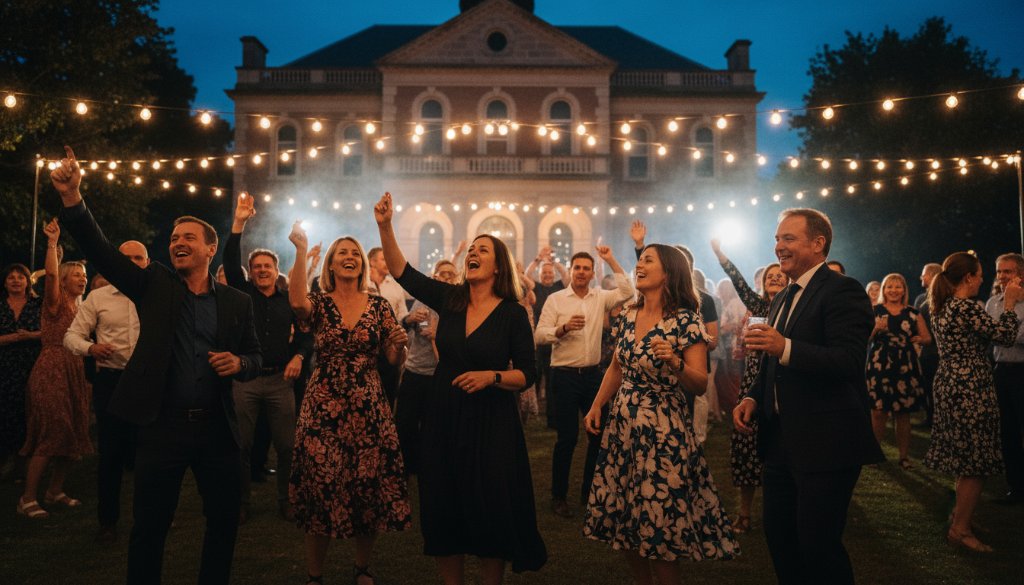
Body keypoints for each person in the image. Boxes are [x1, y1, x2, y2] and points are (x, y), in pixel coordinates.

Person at [51, 146, 262, 584]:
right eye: (173, 238)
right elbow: (104, 252)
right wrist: (73, 197)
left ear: (210, 249)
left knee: (222, 525)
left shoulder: (237, 303)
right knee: (148, 528)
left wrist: (239, 362)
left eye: (188, 237)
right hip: (162, 426)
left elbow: (257, 357)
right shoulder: (154, 286)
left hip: (216, 430)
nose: (177, 242)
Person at [375, 192, 546, 584]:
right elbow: (404, 272)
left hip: (492, 422)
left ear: (498, 264)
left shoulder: (512, 314)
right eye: (471, 249)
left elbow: (528, 373)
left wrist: (493, 377)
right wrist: (385, 226)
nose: (473, 252)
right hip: (445, 415)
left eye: (482, 250)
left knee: (489, 509)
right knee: (443, 505)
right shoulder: (450, 298)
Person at [734, 208, 882, 585]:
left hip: (826, 439)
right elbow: (773, 361)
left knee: (819, 546)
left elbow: (848, 360)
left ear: (818, 244)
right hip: (781, 439)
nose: (778, 247)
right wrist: (752, 397)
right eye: (777, 239)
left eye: (788, 239)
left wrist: (785, 346)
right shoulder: (783, 296)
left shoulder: (843, 290)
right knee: (780, 539)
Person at [583, 243, 737, 585]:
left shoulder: (686, 320)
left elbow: (698, 384)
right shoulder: (627, 314)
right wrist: (597, 406)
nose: (639, 265)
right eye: (639, 259)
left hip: (662, 429)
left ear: (668, 272)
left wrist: (674, 361)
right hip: (623, 425)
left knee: (660, 520)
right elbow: (615, 367)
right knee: (623, 515)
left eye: (647, 260)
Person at [288, 226, 411, 585]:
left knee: (366, 487)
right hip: (323, 406)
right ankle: (315, 574)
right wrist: (300, 251)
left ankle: (361, 566)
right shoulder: (321, 303)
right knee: (320, 487)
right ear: (331, 264)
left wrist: (400, 345)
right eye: (342, 252)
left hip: (369, 406)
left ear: (362, 265)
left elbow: (391, 358)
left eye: (355, 253)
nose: (349, 257)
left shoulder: (379, 305)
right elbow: (297, 303)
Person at [925, 251, 1023, 552]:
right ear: (968, 278)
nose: (983, 279)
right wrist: (1009, 303)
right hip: (970, 385)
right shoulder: (965, 307)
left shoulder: (943, 306)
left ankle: (959, 515)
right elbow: (1005, 335)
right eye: (980, 274)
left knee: (964, 455)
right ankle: (961, 529)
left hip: (949, 380)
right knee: (974, 461)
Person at [225, 193, 311, 525]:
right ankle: (241, 502)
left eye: (267, 267)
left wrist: (300, 356)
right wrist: (240, 223)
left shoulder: (288, 299)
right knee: (242, 446)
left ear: (277, 271)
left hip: (280, 381)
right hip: (245, 380)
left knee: (287, 447)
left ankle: (287, 501)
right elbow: (230, 261)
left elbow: (306, 333)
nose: (262, 270)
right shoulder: (240, 294)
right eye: (257, 267)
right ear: (251, 272)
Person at [535, 247, 633, 518]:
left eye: (585, 268)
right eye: (576, 267)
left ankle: (589, 493)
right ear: (571, 270)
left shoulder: (600, 297)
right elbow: (540, 335)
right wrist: (562, 328)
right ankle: (559, 496)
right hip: (563, 375)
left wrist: (611, 259)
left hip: (592, 377)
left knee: (598, 437)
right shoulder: (556, 299)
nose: (580, 272)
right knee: (566, 438)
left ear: (592, 273)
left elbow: (628, 292)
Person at [63, 240, 149, 542]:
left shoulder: (159, 295)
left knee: (148, 456)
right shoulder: (98, 297)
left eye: (139, 257)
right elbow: (71, 336)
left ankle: (148, 520)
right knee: (110, 454)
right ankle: (108, 521)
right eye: (127, 257)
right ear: (116, 261)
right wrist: (91, 347)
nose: (133, 262)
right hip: (111, 381)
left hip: (149, 383)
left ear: (147, 262)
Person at [710, 238, 788, 534]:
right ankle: (744, 514)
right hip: (754, 385)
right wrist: (721, 255)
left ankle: (779, 515)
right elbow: (738, 282)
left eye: (779, 276)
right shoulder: (758, 305)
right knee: (746, 448)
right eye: (770, 277)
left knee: (778, 452)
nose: (775, 279)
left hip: (783, 385)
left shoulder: (795, 308)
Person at [17, 219, 91, 519]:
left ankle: (54, 490)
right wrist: (51, 244)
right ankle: (27, 498)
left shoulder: (81, 307)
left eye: (84, 275)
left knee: (72, 432)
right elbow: (49, 274)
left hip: (74, 370)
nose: (82, 279)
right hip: (51, 369)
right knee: (52, 431)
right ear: (62, 280)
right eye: (75, 275)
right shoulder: (55, 302)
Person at [395, 260, 458, 475]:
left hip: (441, 375)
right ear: (435, 277)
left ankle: (430, 466)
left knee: (435, 427)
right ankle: (406, 468)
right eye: (443, 274)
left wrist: (436, 334)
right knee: (405, 423)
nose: (447, 278)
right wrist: (410, 318)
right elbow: (421, 327)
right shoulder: (424, 300)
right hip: (416, 370)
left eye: (451, 274)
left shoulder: (458, 305)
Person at [867, 273, 931, 469]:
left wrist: (919, 339)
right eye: (889, 287)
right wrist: (876, 329)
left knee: (903, 413)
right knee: (878, 411)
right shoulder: (874, 310)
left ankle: (904, 457)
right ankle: (873, 453)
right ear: (884, 290)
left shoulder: (913, 312)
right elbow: (864, 339)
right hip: (880, 363)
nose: (893, 290)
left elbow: (927, 337)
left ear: (904, 290)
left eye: (898, 287)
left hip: (905, 365)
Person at [987, 253, 1024, 505]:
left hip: (1022, 370)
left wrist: (1004, 330)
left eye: (1007, 272)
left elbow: (1016, 337)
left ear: (1020, 274)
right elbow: (994, 336)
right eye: (999, 271)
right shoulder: (992, 303)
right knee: (1007, 431)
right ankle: (1016, 487)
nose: (1001, 276)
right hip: (1001, 369)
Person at [0, 264, 42, 479]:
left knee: (29, 410)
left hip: (31, 364)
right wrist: (6, 339)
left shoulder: (38, 304)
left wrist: (31, 336)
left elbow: (52, 331)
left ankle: (25, 462)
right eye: (11, 277)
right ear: (5, 282)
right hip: (4, 365)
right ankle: (7, 458)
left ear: (27, 281)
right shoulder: (0, 306)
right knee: (6, 410)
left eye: (20, 277)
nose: (16, 281)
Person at [526, 246, 569, 427]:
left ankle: (552, 419)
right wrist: (538, 259)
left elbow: (567, 277)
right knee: (534, 377)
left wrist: (554, 262)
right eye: (545, 273)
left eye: (550, 273)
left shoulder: (560, 287)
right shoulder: (536, 287)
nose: (548, 275)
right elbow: (527, 275)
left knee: (552, 381)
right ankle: (529, 414)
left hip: (555, 340)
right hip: (538, 340)